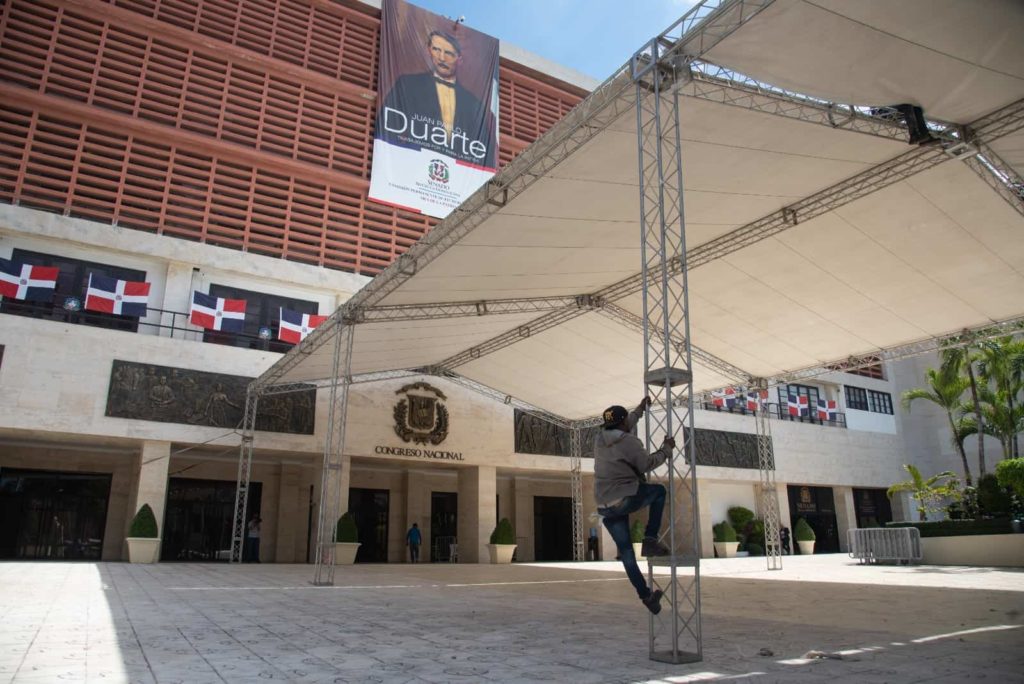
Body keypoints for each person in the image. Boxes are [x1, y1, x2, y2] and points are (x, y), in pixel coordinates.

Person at [595, 397, 675, 614]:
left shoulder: (599, 439)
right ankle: (650, 539)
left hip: (604, 506)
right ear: (623, 424)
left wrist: (640, 409)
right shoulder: (629, 442)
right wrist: (666, 450)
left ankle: (647, 596)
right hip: (623, 498)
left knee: (627, 554)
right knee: (659, 492)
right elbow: (646, 464)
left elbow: (626, 423)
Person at [377, 30, 495, 168]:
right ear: (429, 51)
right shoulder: (407, 85)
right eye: (436, 50)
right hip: (410, 169)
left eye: (449, 53)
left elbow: (485, 155)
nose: (441, 58)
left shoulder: (474, 104)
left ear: (459, 59)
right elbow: (384, 128)